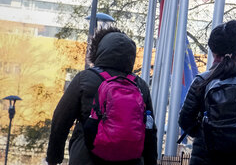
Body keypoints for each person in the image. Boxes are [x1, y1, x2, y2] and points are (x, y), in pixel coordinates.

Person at [46, 26, 158, 165]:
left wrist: (53, 158)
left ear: (99, 51)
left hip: (86, 157)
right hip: (131, 160)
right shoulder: (140, 85)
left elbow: (61, 120)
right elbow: (150, 130)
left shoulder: (85, 78)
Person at [178, 20, 236, 165]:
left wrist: (205, 134)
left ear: (213, 50)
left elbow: (185, 119)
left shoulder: (201, 81)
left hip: (205, 158)